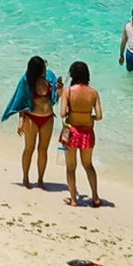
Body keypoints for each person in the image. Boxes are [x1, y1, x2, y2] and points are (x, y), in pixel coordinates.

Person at [58, 60, 103, 208]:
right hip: (87, 132)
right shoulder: (93, 92)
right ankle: (95, 197)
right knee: (88, 165)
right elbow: (99, 116)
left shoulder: (68, 91)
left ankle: (73, 199)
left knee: (71, 167)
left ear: (72, 75)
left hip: (71, 132)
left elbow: (62, 113)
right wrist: (88, 117)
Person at [9, 55, 56, 189]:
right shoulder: (26, 82)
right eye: (44, 66)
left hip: (48, 118)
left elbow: (55, 97)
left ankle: (40, 179)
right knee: (29, 148)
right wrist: (21, 121)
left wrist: (59, 89)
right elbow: (21, 102)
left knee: (43, 149)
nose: (46, 68)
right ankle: (25, 177)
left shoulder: (49, 79)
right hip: (31, 118)